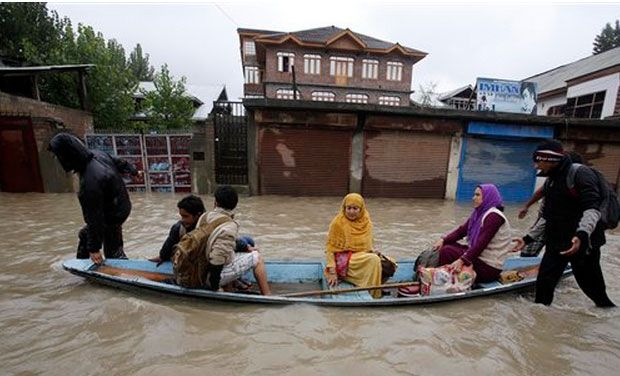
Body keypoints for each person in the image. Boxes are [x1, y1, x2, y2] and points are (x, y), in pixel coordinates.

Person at [512, 140, 615, 307]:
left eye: (538, 161)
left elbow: (593, 209)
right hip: (556, 245)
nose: (535, 166)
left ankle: (607, 313)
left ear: (549, 159)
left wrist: (581, 235)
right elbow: (547, 216)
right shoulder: (552, 180)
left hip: (583, 245)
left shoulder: (580, 174)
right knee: (543, 289)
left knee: (593, 290)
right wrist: (527, 238)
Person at [48, 132, 137, 265]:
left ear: (66, 155)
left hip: (113, 213)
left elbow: (95, 218)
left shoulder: (90, 183)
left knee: (112, 250)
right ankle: (83, 266)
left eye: (57, 155)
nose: (57, 160)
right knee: (85, 235)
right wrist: (133, 170)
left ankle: (125, 273)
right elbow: (119, 161)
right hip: (121, 205)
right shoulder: (97, 154)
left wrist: (94, 249)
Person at [431, 184, 513, 283]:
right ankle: (445, 275)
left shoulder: (494, 216)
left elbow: (481, 244)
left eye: (477, 195)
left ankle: (444, 280)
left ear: (487, 197)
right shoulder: (479, 214)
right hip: (478, 259)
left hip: (488, 267)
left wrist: (462, 260)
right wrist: (443, 240)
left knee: (447, 251)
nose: (473, 198)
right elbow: (462, 231)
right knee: (447, 245)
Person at [201, 185, 271, 295]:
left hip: (199, 269)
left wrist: (246, 247)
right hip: (210, 276)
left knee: (232, 253)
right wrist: (214, 287)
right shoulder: (229, 226)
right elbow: (217, 259)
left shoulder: (204, 217)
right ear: (235, 205)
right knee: (257, 257)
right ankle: (267, 295)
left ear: (215, 202)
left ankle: (230, 288)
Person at [325, 193, 383, 298]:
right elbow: (330, 249)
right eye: (349, 208)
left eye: (355, 208)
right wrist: (332, 272)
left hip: (361, 256)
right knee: (373, 260)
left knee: (387, 262)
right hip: (344, 260)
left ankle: (371, 290)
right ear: (344, 208)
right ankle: (372, 293)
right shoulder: (337, 223)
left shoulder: (366, 222)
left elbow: (367, 245)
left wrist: (372, 251)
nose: (351, 211)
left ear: (361, 209)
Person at [149, 195, 206, 266]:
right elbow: (166, 251)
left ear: (198, 215)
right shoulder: (178, 228)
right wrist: (162, 257)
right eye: (181, 216)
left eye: (186, 216)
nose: (183, 220)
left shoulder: (209, 227)